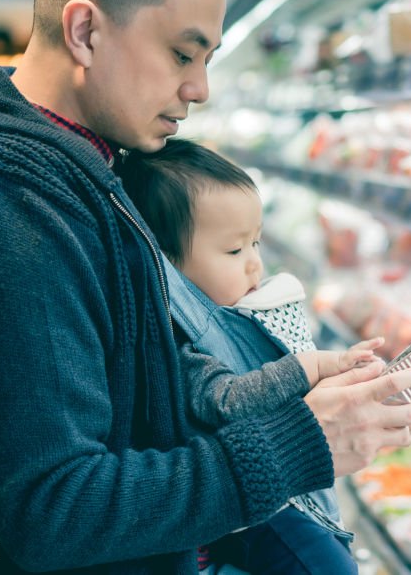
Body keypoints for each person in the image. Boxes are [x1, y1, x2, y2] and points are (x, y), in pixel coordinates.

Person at [0, 0, 411, 573]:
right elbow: (53, 509)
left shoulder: (85, 167)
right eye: (181, 54)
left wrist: (291, 388)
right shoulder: (11, 190)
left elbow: (140, 392)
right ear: (84, 31)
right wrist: (297, 444)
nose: (200, 88)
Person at [118, 138, 373, 575]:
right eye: (235, 251)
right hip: (259, 504)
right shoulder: (182, 345)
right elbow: (226, 400)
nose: (255, 264)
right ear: (171, 273)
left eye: (255, 244)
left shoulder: (226, 315)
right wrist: (307, 368)